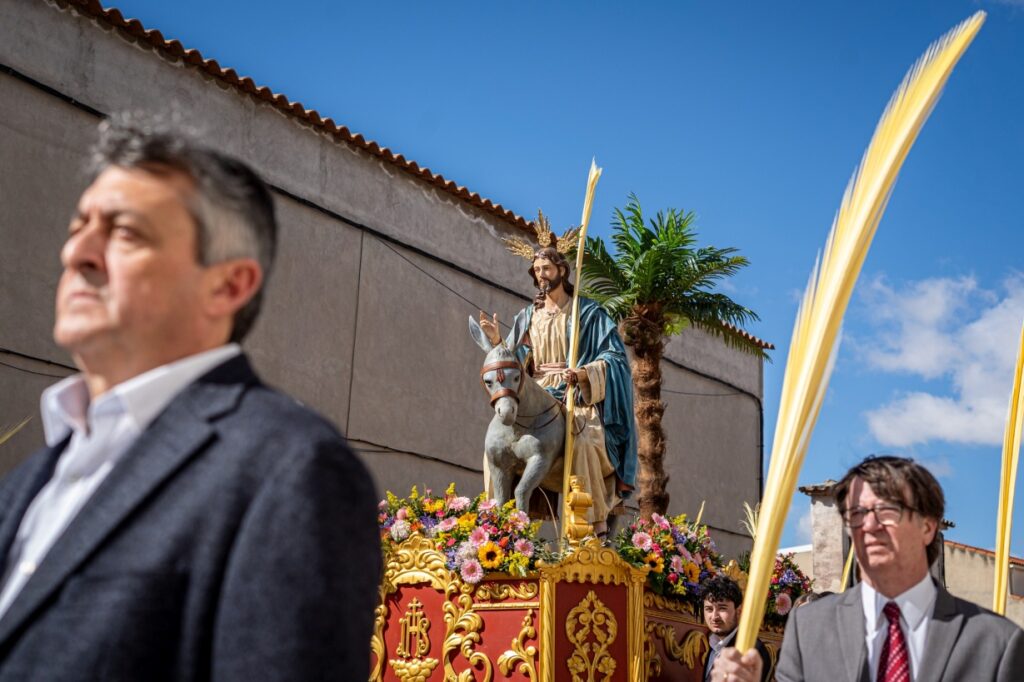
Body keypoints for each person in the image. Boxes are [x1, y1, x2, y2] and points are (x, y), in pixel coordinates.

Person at [0, 117, 382, 680]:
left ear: (228, 285)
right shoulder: (32, 476)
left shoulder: (289, 468)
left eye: (125, 232)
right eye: (78, 225)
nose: (77, 251)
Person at [713, 455, 1024, 682]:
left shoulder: (996, 642)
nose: (870, 526)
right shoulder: (809, 627)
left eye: (887, 510)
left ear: (928, 527)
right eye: (857, 513)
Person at [479, 245, 636, 533]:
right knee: (495, 443)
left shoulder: (588, 313)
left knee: (584, 442)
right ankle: (496, 523)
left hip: (574, 394)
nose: (541, 276)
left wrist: (585, 373)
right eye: (537, 271)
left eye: (546, 269)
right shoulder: (528, 316)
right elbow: (515, 358)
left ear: (562, 271)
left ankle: (591, 525)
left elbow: (615, 358)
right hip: (534, 392)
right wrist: (499, 340)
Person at [700, 576, 771, 682]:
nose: (714, 616)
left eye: (722, 608)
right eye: (709, 609)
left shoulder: (752, 649)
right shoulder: (714, 645)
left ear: (739, 611)